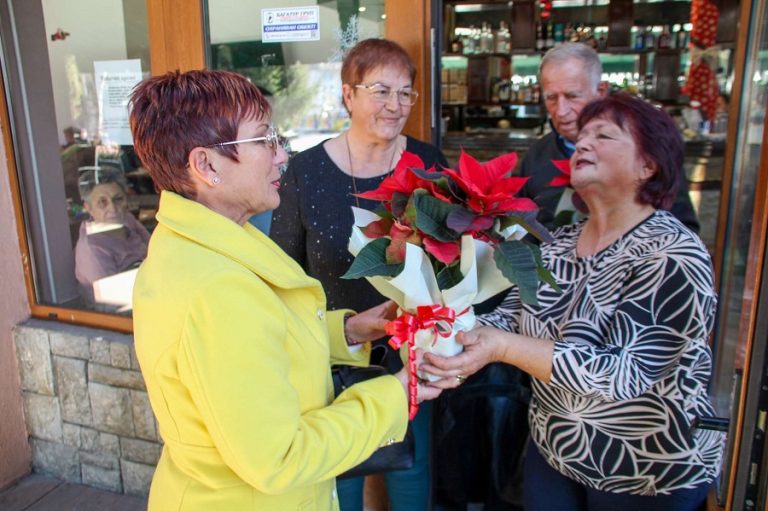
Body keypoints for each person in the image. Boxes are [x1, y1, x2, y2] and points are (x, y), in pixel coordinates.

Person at [128, 69, 441, 511]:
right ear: (206, 165)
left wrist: (350, 331)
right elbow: (280, 457)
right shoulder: (217, 289)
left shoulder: (202, 239)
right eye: (262, 140)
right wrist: (400, 389)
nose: (282, 156)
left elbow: (257, 344)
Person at [424, 93, 724, 511]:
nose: (582, 143)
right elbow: (510, 316)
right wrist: (443, 333)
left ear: (648, 165)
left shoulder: (672, 252)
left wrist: (501, 347)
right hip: (556, 451)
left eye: (604, 135)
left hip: (645, 469)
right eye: (582, 136)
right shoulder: (559, 242)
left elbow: (625, 373)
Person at [270, 38, 448, 511]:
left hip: (412, 352)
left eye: (405, 93)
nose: (395, 105)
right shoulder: (305, 171)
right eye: (381, 91)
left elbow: (453, 257)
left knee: (411, 475)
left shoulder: (428, 165)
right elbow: (283, 273)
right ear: (348, 94)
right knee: (339, 480)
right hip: (332, 355)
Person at [520, 42, 700, 233]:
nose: (561, 111)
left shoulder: (644, 150)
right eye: (552, 98)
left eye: (572, 96)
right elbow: (522, 227)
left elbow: (684, 228)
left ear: (601, 91)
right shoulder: (537, 155)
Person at [74, 167, 149, 305]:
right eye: (102, 202)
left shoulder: (127, 219)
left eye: (118, 199)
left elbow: (154, 249)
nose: (113, 208)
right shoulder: (92, 250)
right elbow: (114, 301)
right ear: (88, 207)